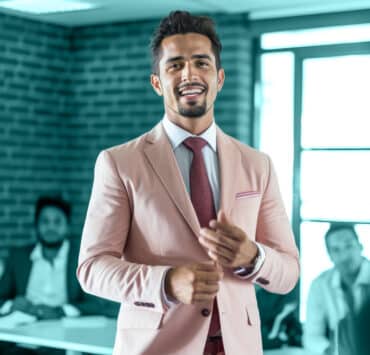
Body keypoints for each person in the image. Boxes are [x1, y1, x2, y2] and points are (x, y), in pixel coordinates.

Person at [77, 10, 299, 355]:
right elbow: (92, 268)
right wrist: (165, 282)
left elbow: (289, 272)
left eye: (201, 63)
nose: (189, 74)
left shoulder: (259, 165)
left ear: (220, 78)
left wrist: (253, 257)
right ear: (157, 83)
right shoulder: (119, 163)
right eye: (175, 65)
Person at [0, 196, 118, 355]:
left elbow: (101, 304)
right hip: (22, 337)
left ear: (67, 226)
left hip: (65, 338)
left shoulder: (83, 259)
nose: (50, 227)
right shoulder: (18, 257)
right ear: (36, 225)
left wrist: (61, 311)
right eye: (45, 221)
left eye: (57, 222)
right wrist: (12, 304)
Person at [304, 223, 370, 355]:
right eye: (336, 249)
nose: (344, 255)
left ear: (360, 246)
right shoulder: (320, 285)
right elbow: (311, 337)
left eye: (349, 246)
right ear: (329, 255)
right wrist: (332, 350)